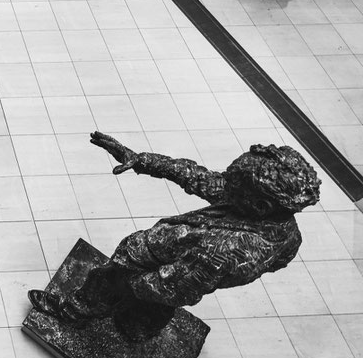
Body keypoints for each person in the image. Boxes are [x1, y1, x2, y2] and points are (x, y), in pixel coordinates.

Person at [28, 132, 319, 341]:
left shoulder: (226, 251)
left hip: (153, 268)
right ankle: (140, 325)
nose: (223, 183)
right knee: (153, 307)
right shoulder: (276, 222)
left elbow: (175, 288)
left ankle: (76, 311)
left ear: (259, 205)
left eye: (233, 183)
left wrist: (126, 283)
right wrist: (142, 160)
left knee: (113, 283)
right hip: (175, 268)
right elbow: (199, 177)